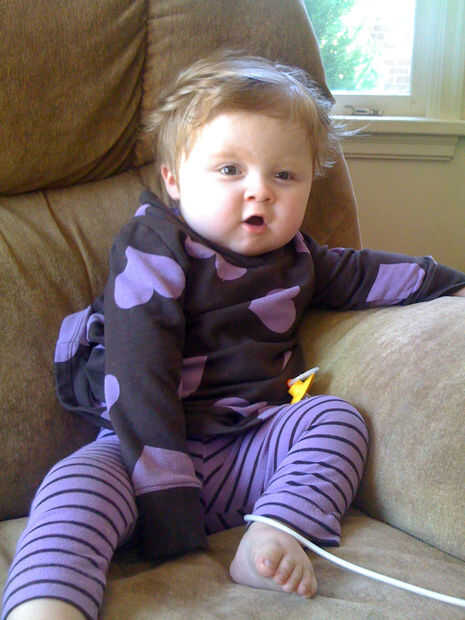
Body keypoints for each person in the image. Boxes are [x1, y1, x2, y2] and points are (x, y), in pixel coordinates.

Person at [2, 51, 464, 620]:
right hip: (140, 456)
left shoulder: (300, 258)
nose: (260, 191)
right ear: (174, 180)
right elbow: (139, 372)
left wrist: (452, 283)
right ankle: (47, 602)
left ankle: (275, 532)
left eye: (284, 175)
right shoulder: (153, 247)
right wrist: (166, 498)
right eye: (229, 170)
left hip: (249, 447)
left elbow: (371, 273)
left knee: (335, 419)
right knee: (72, 487)